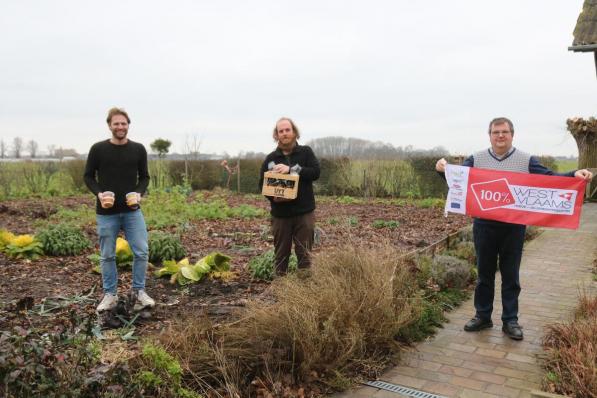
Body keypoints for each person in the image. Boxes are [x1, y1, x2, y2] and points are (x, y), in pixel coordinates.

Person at [436, 117, 593, 340]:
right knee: (484, 274)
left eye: (505, 132)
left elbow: (550, 179)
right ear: (489, 135)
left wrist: (574, 175)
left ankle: (510, 321)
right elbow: (457, 180)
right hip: (484, 226)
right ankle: (482, 316)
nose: (500, 136)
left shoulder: (525, 160)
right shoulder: (477, 158)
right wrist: (442, 169)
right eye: (496, 132)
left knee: (511, 275)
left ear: (512, 135)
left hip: (514, 227)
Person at [84, 107, 155, 312]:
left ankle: (139, 292)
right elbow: (88, 176)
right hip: (106, 213)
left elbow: (145, 177)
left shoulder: (138, 149)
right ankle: (110, 295)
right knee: (107, 255)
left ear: (128, 125)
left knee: (141, 252)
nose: (120, 127)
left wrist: (139, 192)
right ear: (109, 126)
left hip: (133, 211)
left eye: (123, 123)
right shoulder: (98, 149)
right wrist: (99, 193)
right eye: (116, 123)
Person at [259, 117, 320, 275]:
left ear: (294, 133)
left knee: (305, 255)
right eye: (281, 131)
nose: (285, 133)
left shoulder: (305, 152)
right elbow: (262, 185)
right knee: (280, 257)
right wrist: (275, 197)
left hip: (304, 214)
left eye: (288, 130)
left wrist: (292, 169)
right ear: (276, 135)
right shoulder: (271, 159)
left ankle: (304, 293)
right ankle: (281, 293)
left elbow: (315, 172)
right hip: (281, 216)